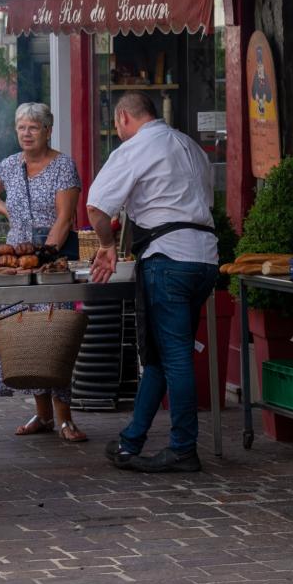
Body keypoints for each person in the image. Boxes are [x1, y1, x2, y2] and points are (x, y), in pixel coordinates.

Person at [89, 92, 218, 474]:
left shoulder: (136, 147)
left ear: (124, 118)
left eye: (117, 126)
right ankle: (131, 441)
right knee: (162, 355)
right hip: (205, 258)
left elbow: (97, 206)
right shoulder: (190, 145)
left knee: (175, 356)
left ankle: (183, 448)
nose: (118, 132)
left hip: (168, 258)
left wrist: (107, 244)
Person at [0, 103, 85, 442]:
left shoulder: (63, 164)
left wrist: (43, 257)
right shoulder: (10, 165)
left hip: (50, 263)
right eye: (21, 127)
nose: (26, 133)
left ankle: (65, 417)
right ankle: (42, 414)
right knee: (26, 337)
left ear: (48, 131)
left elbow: (64, 220)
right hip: (16, 263)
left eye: (33, 127)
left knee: (54, 334)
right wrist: (7, 210)